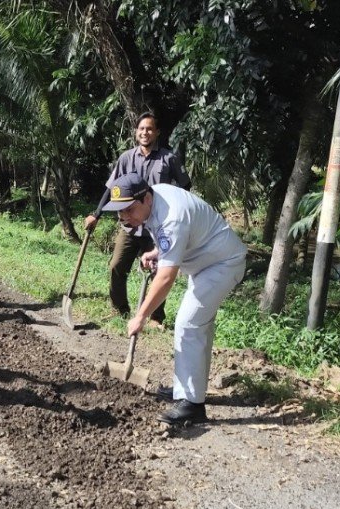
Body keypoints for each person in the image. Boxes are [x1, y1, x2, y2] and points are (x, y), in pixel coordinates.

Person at [103, 172, 246, 428]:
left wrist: (141, 316)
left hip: (222, 264)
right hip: (205, 261)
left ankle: (192, 405)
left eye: (128, 209)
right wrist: (158, 251)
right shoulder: (155, 200)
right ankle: (186, 392)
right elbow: (176, 237)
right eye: (119, 212)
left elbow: (167, 277)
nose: (124, 217)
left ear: (145, 198)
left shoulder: (172, 217)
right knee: (194, 326)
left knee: (188, 324)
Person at [84, 112, 192, 326]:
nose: (145, 132)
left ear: (157, 132)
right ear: (136, 132)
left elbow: (185, 187)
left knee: (157, 272)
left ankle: (155, 317)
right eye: (142, 129)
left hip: (156, 227)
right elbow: (110, 188)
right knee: (116, 265)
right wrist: (96, 214)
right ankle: (120, 309)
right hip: (130, 226)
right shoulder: (126, 158)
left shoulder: (168, 159)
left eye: (150, 129)